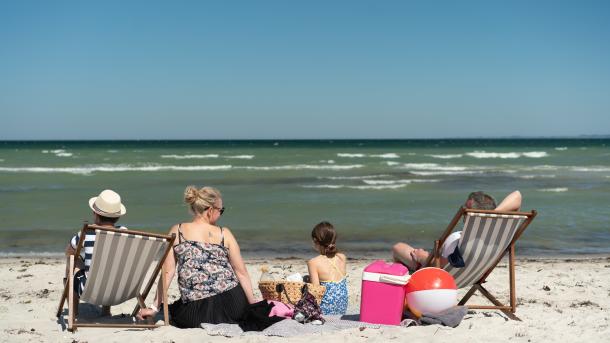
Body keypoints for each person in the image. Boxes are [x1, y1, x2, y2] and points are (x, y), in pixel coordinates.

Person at [137, 186, 257, 328]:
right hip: (233, 306)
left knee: (175, 310)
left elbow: (168, 273)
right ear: (211, 210)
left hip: (196, 312)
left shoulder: (178, 231)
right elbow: (241, 272)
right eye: (221, 210)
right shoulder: (225, 233)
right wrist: (253, 305)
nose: (221, 214)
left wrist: (154, 308)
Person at [392, 190, 522, 272]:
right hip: (475, 273)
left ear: (469, 213)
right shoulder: (497, 233)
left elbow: (443, 266)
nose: (463, 210)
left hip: (441, 277)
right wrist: (490, 215)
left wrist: (423, 257)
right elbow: (517, 196)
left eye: (465, 208)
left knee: (398, 247)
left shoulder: (458, 239)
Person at [64, 189, 128, 316]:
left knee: (72, 260)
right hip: (119, 290)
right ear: (118, 217)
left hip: (89, 290)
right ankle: (106, 311)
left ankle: (74, 312)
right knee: (111, 264)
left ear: (96, 214)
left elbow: (69, 252)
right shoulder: (125, 233)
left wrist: (80, 262)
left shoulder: (86, 233)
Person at [307, 221, 349, 315]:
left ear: (315, 241)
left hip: (325, 311)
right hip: (342, 308)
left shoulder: (313, 262)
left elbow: (316, 292)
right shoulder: (342, 257)